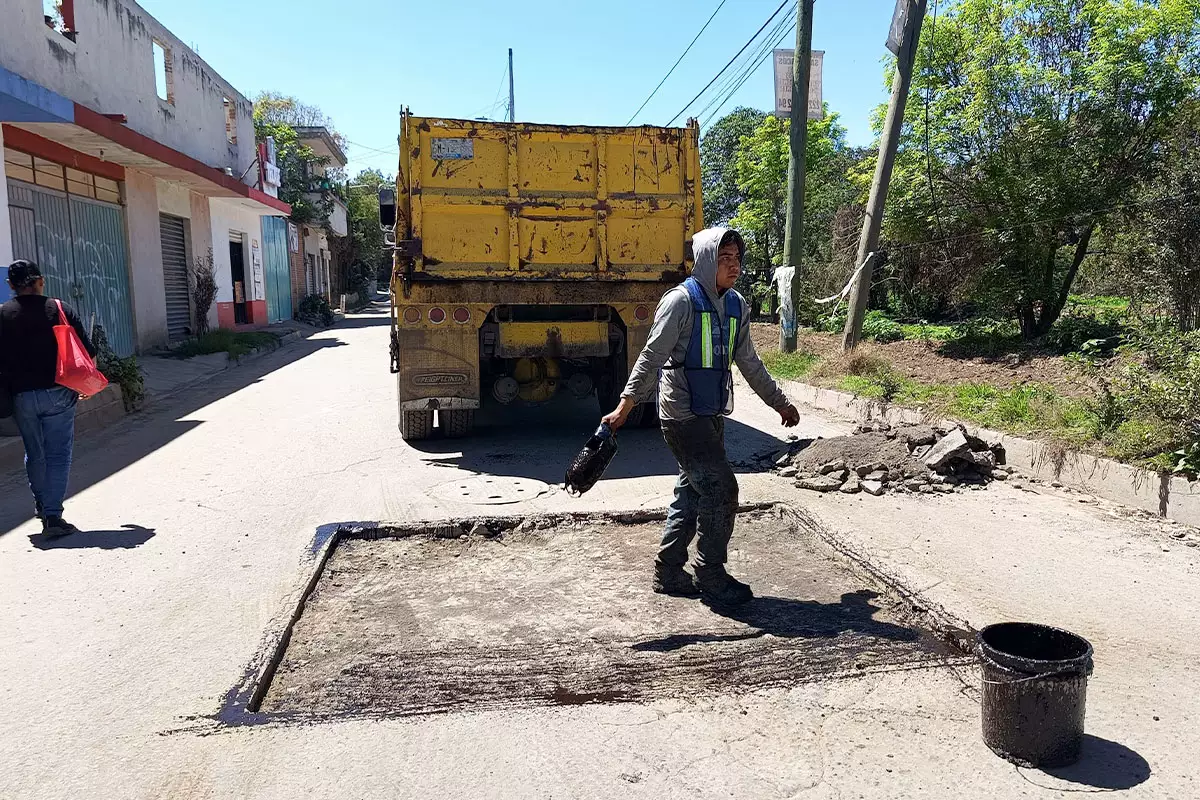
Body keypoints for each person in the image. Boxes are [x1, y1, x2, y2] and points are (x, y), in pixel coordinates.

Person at [603, 227, 801, 607]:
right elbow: (651, 357)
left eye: (737, 260)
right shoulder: (680, 302)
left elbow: (749, 362)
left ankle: (669, 569)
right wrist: (625, 406)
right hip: (680, 414)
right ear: (707, 260)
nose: (734, 267)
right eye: (725, 259)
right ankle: (710, 573)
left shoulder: (736, 306)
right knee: (722, 488)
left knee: (692, 492)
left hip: (711, 412)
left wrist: (779, 402)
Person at [0, 260, 96, 536]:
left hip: (20, 397)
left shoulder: (2, 314)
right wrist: (83, 384)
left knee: (35, 452)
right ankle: (52, 517)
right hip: (58, 393)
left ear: (10, 286)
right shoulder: (59, 308)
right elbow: (87, 351)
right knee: (58, 454)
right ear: (40, 281)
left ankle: (42, 504)